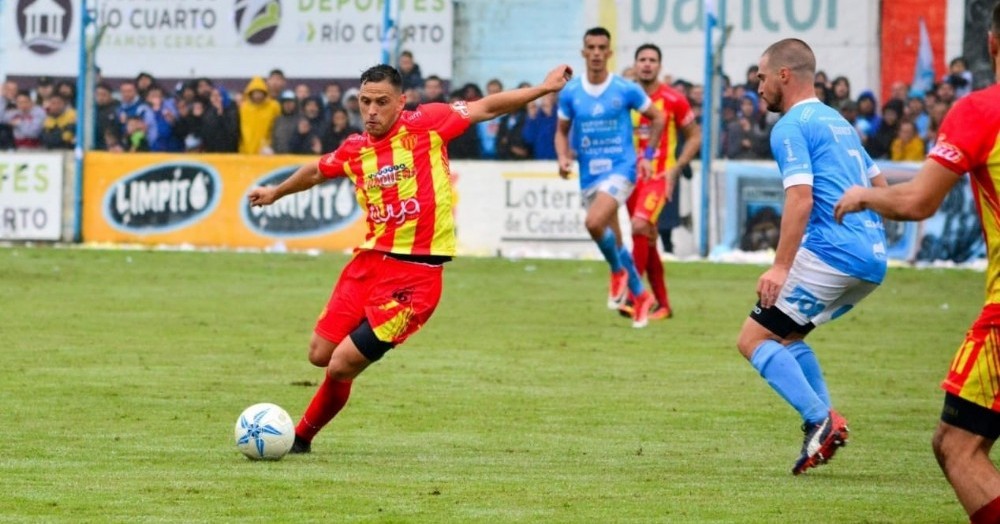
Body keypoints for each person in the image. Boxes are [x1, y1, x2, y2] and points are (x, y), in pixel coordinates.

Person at [246, 62, 572, 454]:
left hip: (415, 278)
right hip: (369, 265)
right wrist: (275, 192)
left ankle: (300, 438)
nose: (371, 111)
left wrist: (544, 87)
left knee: (341, 364)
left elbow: (486, 108)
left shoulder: (429, 124)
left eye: (381, 102)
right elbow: (316, 170)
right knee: (320, 354)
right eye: (364, 102)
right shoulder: (356, 149)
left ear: (401, 102)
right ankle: (308, 422)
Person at [834, 4, 1000, 520]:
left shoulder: (981, 110)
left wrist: (864, 195)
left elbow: (917, 203)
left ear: (991, 43)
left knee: (957, 445)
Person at [735, 38, 889, 475]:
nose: (757, 86)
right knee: (786, 337)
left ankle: (820, 419)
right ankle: (823, 426)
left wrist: (781, 266)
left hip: (832, 251)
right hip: (871, 260)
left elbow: (800, 199)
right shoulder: (839, 122)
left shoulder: (789, 126)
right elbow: (880, 191)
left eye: (761, 76)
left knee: (753, 339)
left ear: (784, 75)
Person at [555, 27, 665, 328]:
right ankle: (641, 296)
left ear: (609, 52)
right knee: (614, 240)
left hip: (621, 168)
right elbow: (561, 132)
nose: (596, 53)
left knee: (593, 223)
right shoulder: (572, 92)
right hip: (590, 174)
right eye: (590, 47)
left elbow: (658, 117)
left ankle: (617, 273)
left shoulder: (624, 88)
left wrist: (648, 157)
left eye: (602, 47)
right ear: (583, 52)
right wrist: (563, 157)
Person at [622, 43, 700, 320]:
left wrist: (676, 168)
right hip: (630, 179)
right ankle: (663, 305)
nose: (646, 64)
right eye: (642, 59)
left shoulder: (673, 99)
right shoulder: (625, 96)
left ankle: (633, 297)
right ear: (635, 64)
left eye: (652, 60)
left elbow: (695, 136)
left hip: (659, 177)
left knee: (639, 225)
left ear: (659, 66)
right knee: (647, 238)